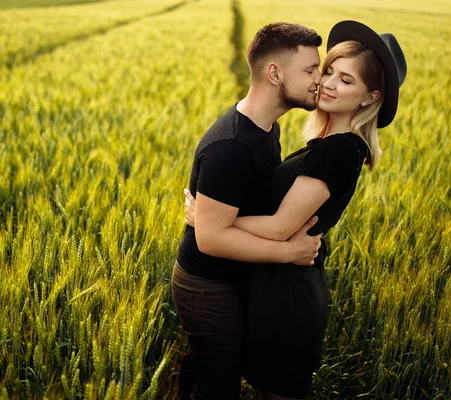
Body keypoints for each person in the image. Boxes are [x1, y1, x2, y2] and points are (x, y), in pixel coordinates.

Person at [183, 20, 408, 399]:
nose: (327, 83)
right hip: (271, 284)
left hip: (288, 296)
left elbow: (279, 227)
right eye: (327, 71)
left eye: (346, 80)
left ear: (370, 98)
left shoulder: (338, 151)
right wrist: (212, 219)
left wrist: (209, 218)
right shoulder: (320, 142)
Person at [171, 23, 326, 400]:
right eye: (310, 69)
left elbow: (226, 219)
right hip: (207, 286)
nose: (320, 79)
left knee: (215, 370)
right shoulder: (232, 147)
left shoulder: (265, 128)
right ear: (275, 73)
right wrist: (289, 252)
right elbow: (210, 239)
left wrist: (210, 217)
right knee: (219, 389)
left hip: (231, 280)